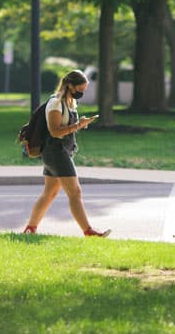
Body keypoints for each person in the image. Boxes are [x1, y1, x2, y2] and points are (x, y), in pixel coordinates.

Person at [22, 69, 110, 237]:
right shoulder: (56, 103)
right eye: (80, 89)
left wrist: (80, 123)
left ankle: (30, 229)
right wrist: (78, 125)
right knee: (75, 193)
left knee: (50, 193)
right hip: (56, 152)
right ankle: (88, 231)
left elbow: (65, 128)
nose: (81, 93)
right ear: (70, 86)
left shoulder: (70, 102)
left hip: (61, 151)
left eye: (84, 90)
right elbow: (55, 131)